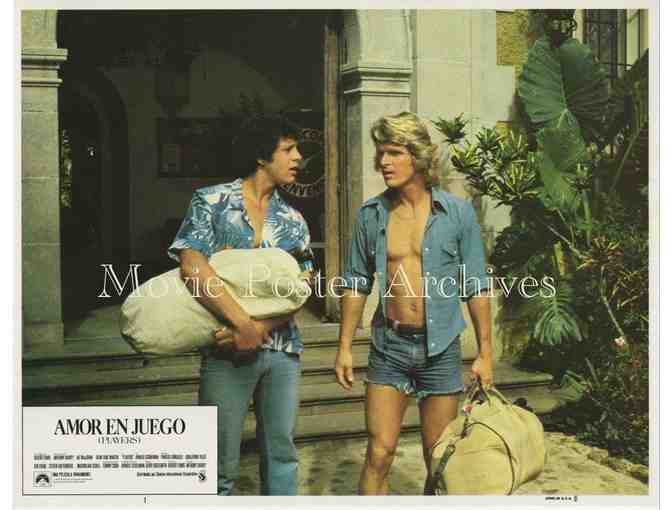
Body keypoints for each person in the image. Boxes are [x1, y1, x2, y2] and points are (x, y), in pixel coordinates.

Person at [334, 112, 493, 495]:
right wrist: (344, 346)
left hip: (441, 350)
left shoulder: (456, 213)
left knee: (438, 460)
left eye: (393, 153)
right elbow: (356, 282)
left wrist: (485, 353)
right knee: (379, 453)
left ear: (418, 156)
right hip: (389, 347)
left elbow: (476, 285)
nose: (383, 162)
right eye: (381, 153)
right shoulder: (371, 215)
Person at [168, 114, 313, 496]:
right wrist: (242, 325)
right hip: (225, 350)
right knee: (217, 467)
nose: (298, 157)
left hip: (282, 352)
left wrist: (259, 329)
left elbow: (302, 286)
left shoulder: (294, 219)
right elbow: (191, 264)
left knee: (282, 458)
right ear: (261, 156)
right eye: (288, 149)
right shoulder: (211, 201)